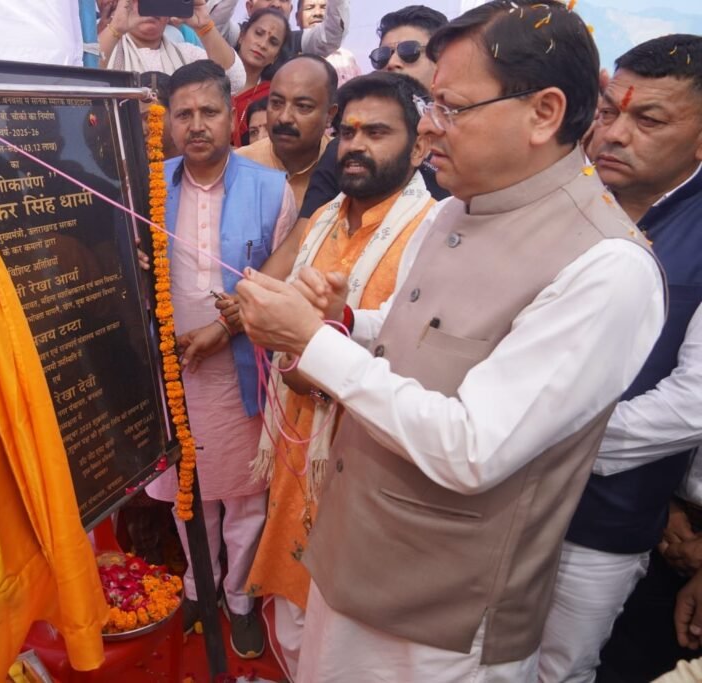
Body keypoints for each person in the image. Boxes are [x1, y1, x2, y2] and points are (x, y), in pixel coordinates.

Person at [233, 1, 666, 679]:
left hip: (441, 616)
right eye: (432, 103)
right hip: (353, 552)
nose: (429, 127)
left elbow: (473, 448)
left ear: (544, 113)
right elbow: (412, 335)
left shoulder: (608, 267)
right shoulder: (455, 209)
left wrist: (313, 344)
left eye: (451, 107)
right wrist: (344, 322)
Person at [245, 71, 437, 682]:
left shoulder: (433, 232)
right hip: (298, 445)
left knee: (344, 634)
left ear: (420, 145)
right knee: (291, 607)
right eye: (348, 132)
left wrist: (323, 337)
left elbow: (420, 356)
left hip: (363, 455)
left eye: (377, 132)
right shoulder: (326, 215)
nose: (355, 145)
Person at [537, 34, 702, 683]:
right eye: (608, 111)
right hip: (497, 498)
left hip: (603, 520)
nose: (614, 133)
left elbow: (692, 403)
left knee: (560, 670)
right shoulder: (556, 198)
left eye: (648, 119)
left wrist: (535, 437)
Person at [144, 59, 297, 660]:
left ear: (231, 117)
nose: (197, 125)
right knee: (192, 490)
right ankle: (197, 586)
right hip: (173, 369)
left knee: (244, 496)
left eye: (209, 111)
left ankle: (238, 596)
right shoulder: (150, 184)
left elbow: (281, 285)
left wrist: (225, 327)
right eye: (183, 114)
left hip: (241, 367)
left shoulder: (271, 189)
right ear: (168, 123)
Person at [259, 4, 447, 283]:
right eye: (383, 55)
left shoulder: (463, 151)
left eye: (409, 52)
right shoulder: (342, 153)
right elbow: (300, 240)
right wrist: (243, 302)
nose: (393, 63)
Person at [237, 55, 337, 208]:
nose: (284, 118)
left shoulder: (344, 167)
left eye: (303, 106)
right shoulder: (240, 166)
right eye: (276, 103)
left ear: (330, 115)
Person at [100, 0, 246, 93]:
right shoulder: (108, 49)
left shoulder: (187, 55)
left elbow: (234, 81)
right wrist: (116, 27)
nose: (153, 7)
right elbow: (87, 76)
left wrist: (205, 27)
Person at [231, 8, 292, 147]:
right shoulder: (212, 77)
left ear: (276, 56)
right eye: (258, 33)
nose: (263, 45)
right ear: (241, 36)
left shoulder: (273, 96)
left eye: (273, 42)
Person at [207, 0, 348, 58]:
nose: (276, 4)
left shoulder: (297, 42)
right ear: (249, 7)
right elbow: (213, 23)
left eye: (284, 0)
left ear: (291, 10)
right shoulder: (235, 35)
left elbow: (330, 36)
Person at [295, 0, 361, 86]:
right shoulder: (287, 55)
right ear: (297, 18)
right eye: (309, 8)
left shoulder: (347, 58)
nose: (318, 13)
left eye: (324, 7)